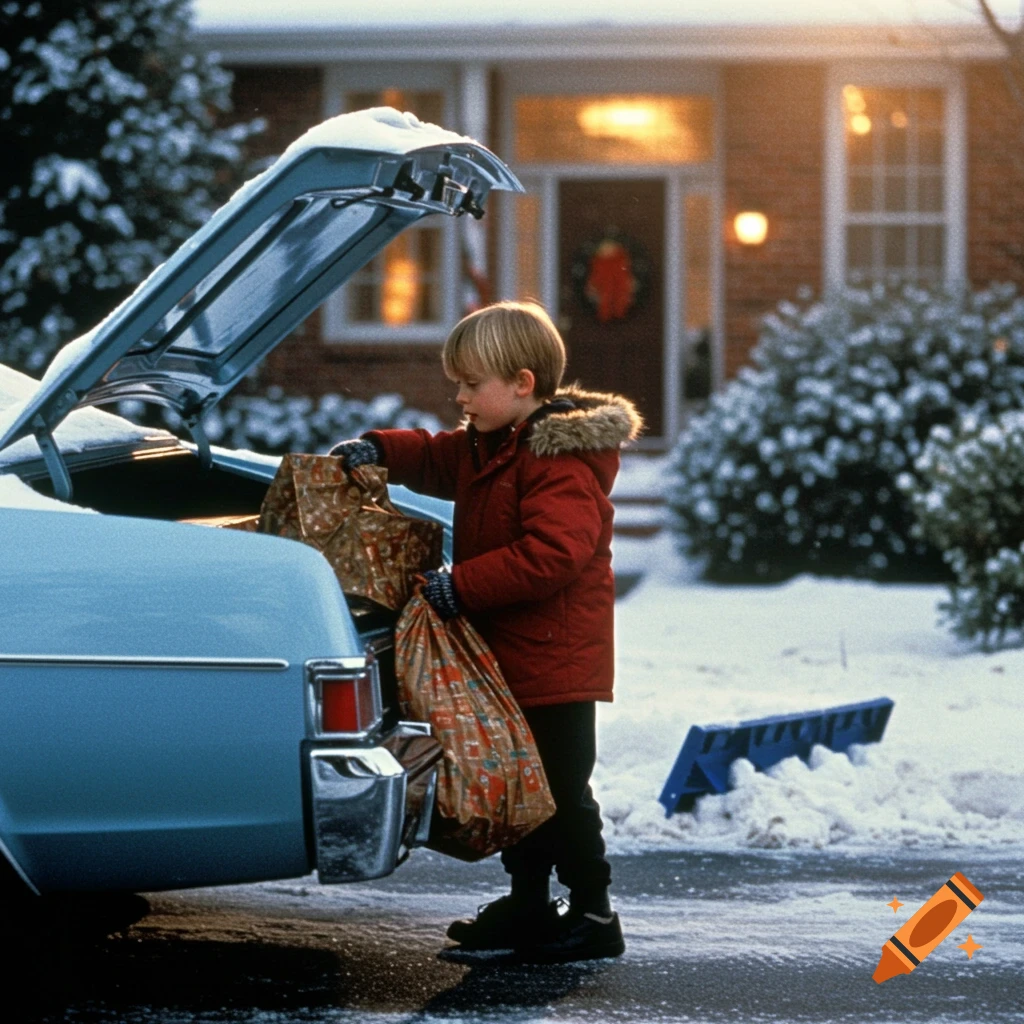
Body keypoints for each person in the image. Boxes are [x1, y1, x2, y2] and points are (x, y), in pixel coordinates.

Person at [332, 300, 642, 963]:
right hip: (511, 657)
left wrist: (463, 585)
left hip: (557, 662)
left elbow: (553, 554)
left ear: (522, 383)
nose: (461, 396)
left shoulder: (559, 461)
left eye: (472, 383)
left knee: (560, 792)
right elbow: (437, 457)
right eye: (459, 383)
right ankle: (529, 902)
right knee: (520, 790)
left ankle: (594, 911)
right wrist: (381, 450)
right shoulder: (486, 445)